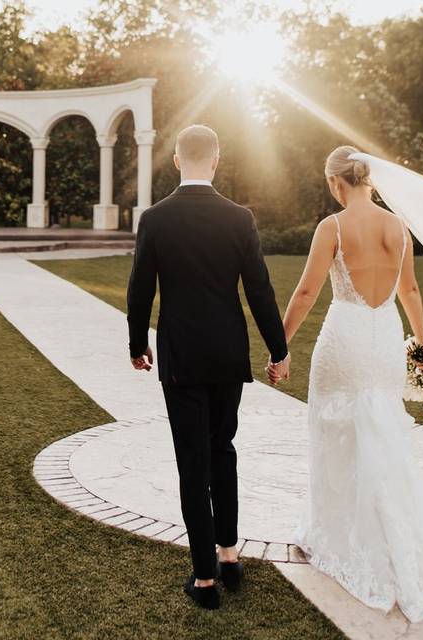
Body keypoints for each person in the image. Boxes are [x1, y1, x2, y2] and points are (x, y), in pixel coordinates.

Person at [272, 145, 423, 629]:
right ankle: (384, 536)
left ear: (336, 183)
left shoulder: (331, 227)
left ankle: (334, 535)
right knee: (382, 437)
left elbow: (308, 291)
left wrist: (280, 345)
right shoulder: (397, 227)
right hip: (382, 341)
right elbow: (410, 290)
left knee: (337, 435)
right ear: (368, 179)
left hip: (345, 340)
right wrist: (420, 345)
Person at [126, 124, 290, 610]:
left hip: (181, 356)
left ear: (177, 161)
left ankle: (203, 579)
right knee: (224, 449)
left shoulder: (155, 218)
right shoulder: (240, 218)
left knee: (192, 461)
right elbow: (259, 289)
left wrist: (138, 343)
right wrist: (278, 350)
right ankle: (230, 554)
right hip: (226, 353)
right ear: (215, 161)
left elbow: (140, 289)